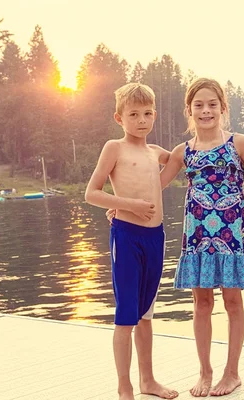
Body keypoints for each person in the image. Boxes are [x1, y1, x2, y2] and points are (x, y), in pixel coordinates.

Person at [159, 77, 244, 397]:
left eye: (212, 104)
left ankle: (232, 373)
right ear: (189, 110)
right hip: (198, 237)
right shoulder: (183, 151)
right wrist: (122, 207)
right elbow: (154, 188)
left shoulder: (238, 143)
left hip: (231, 235)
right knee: (201, 302)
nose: (206, 111)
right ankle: (205, 371)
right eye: (199, 105)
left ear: (223, 108)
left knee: (233, 301)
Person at [84, 82, 178, 400]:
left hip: (155, 237)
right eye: (134, 114)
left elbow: (182, 159)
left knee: (146, 315)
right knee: (127, 314)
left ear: (155, 115)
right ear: (119, 118)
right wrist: (127, 205)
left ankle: (148, 381)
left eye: (147, 113)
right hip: (126, 237)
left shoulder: (156, 153)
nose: (141, 120)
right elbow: (91, 193)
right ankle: (125, 388)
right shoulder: (115, 148)